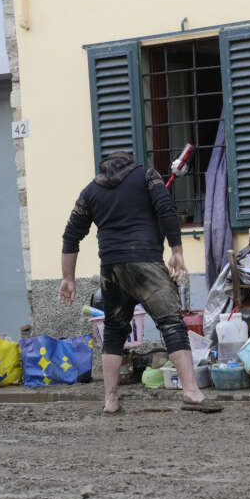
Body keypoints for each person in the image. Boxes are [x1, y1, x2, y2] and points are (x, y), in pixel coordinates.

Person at [60, 151, 220, 415]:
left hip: (111, 267)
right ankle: (191, 392)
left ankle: (111, 401)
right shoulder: (146, 176)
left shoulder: (90, 191)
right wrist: (177, 251)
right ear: (130, 163)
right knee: (171, 323)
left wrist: (68, 277)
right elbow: (166, 209)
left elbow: (71, 235)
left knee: (113, 331)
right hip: (145, 261)